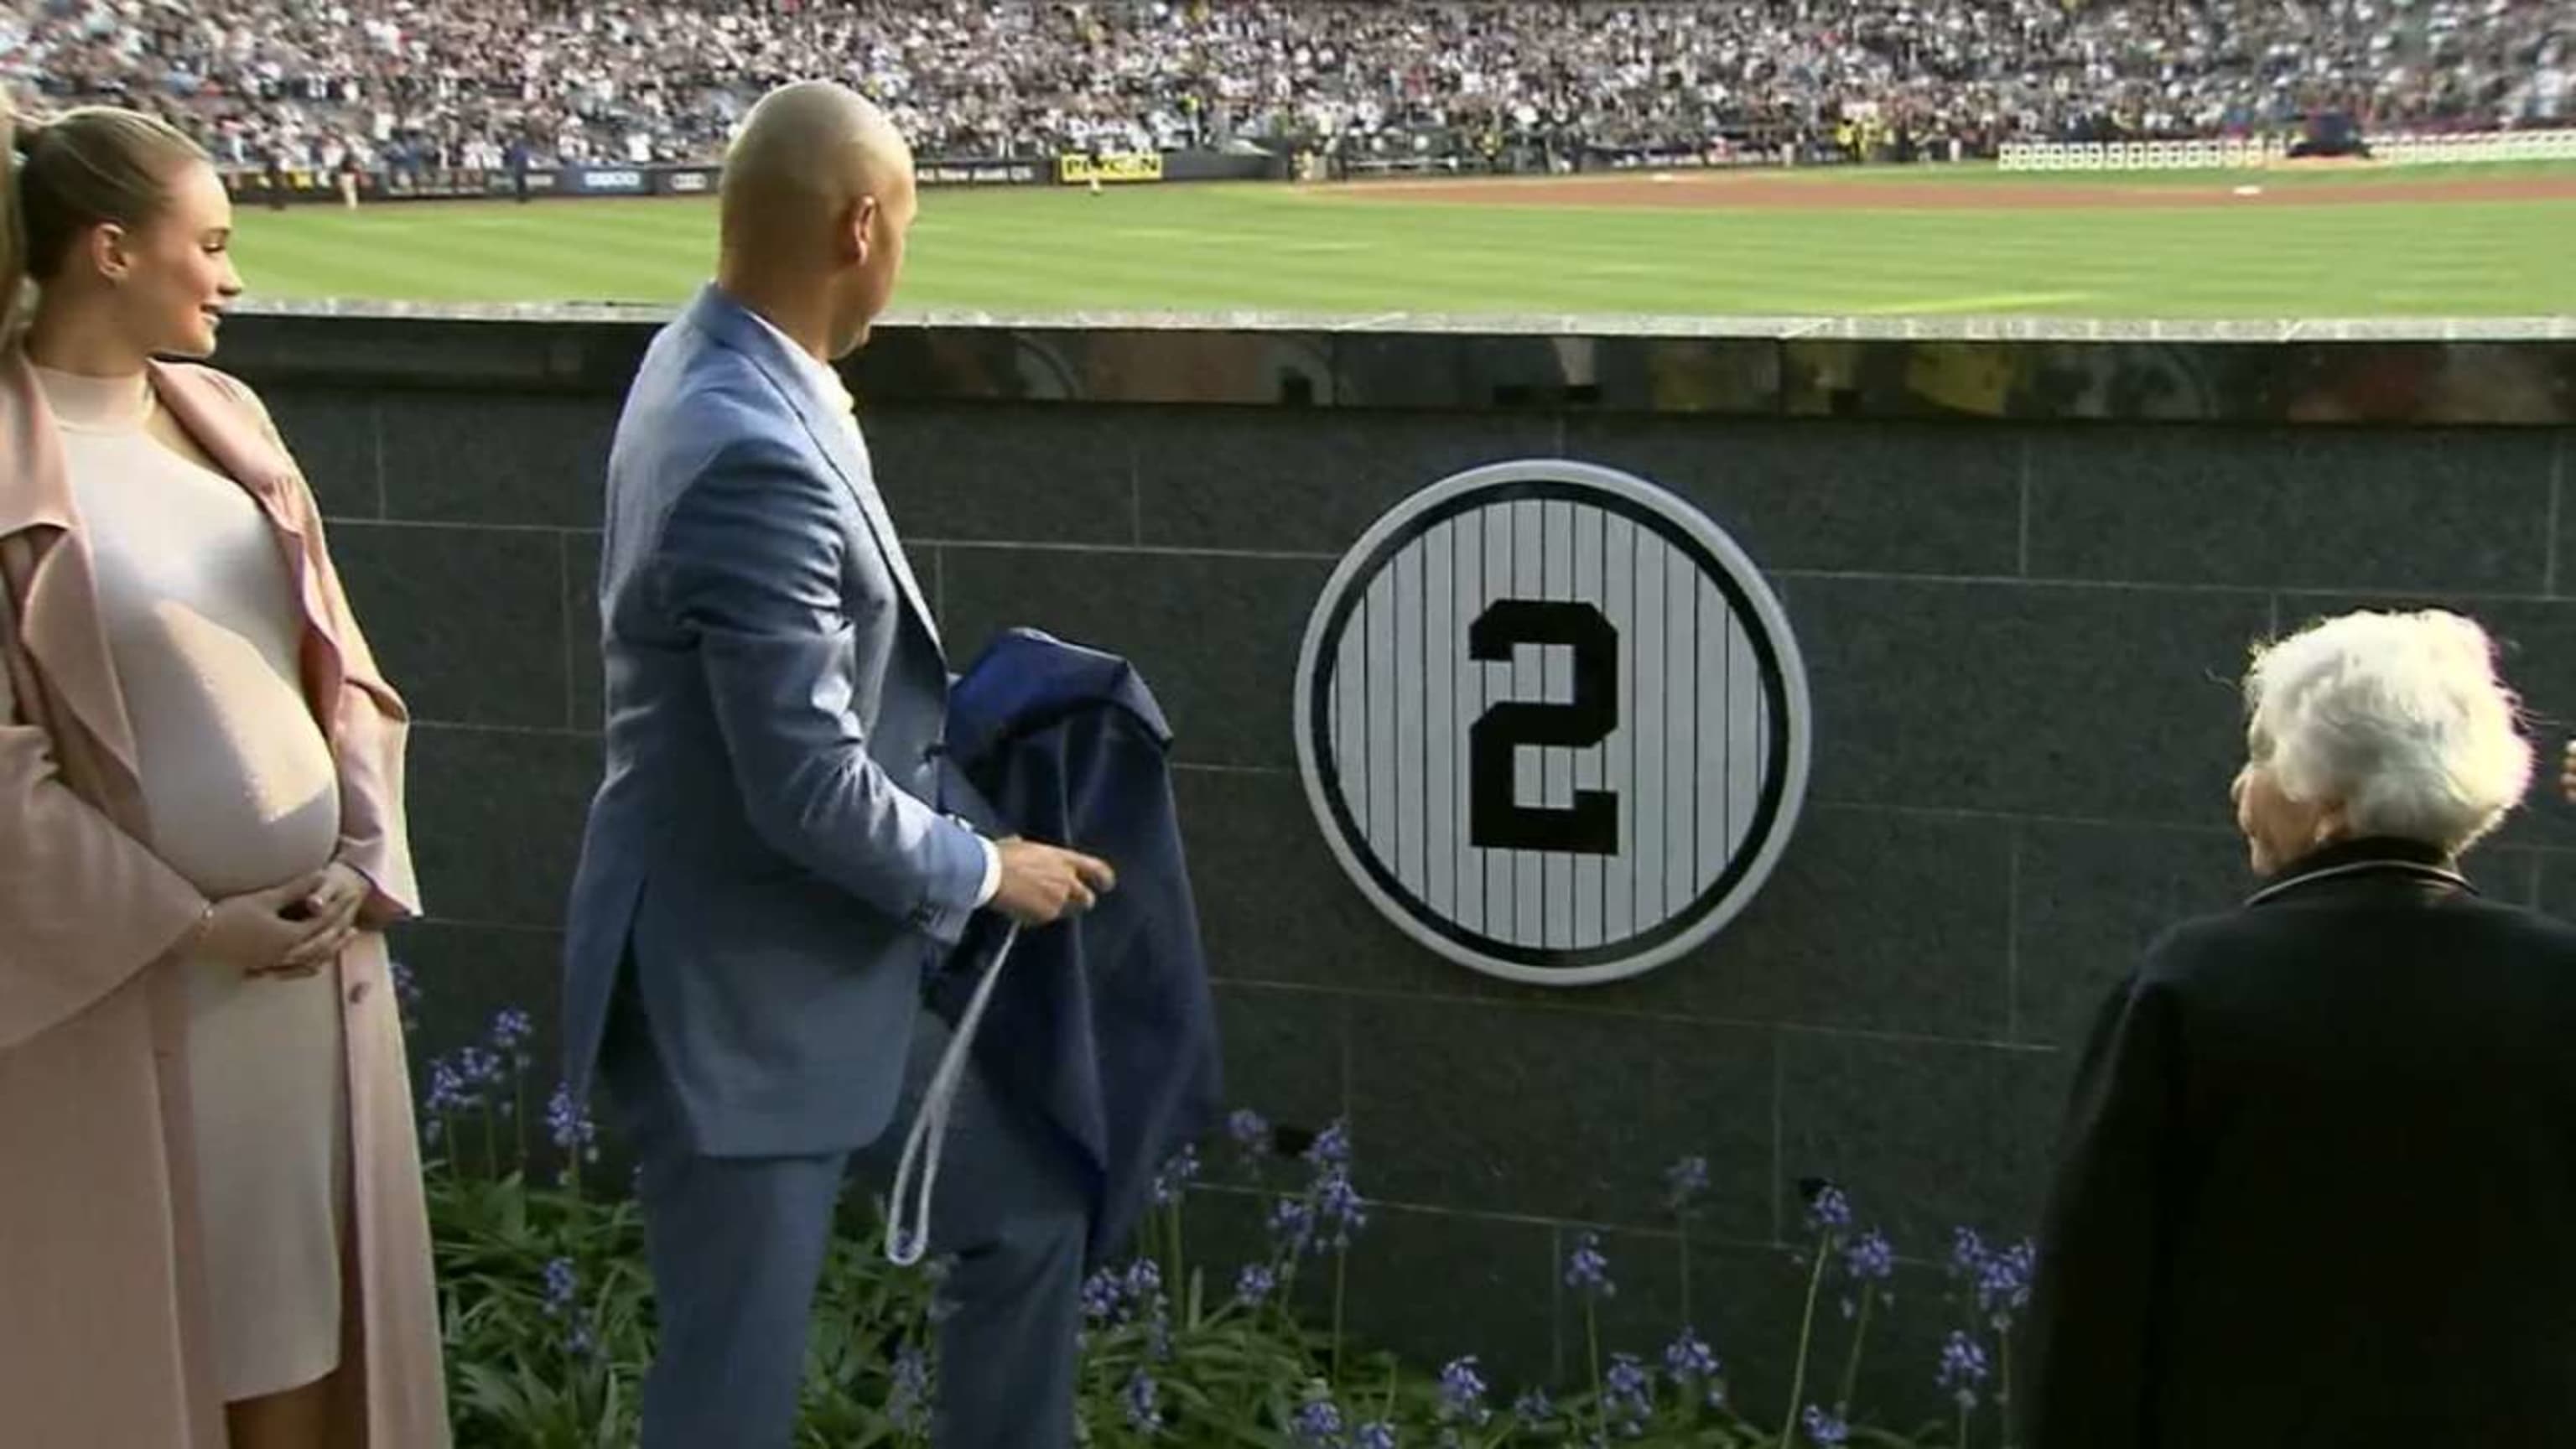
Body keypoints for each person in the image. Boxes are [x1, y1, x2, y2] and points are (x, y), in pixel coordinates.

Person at [559, 80, 1116, 1449]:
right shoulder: (754, 447)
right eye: (908, 226)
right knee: (730, 1385)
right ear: (862, 225)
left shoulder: (716, 360)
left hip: (813, 964)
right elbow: (802, 783)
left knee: (1030, 1211)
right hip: (739, 995)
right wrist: (989, 867)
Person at [0, 102, 449, 1448]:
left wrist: (360, 853)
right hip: (123, 1001)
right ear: (111, 250)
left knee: (309, 1347)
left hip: (305, 985)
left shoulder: (228, 418)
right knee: (154, 1362)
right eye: (212, 242)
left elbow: (342, 671)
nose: (235, 276)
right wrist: (190, 926)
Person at [2022, 609, 2576, 1448]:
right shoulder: (2558, 979)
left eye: (2261, 753)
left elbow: (2091, 1298)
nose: (2239, 790)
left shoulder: (2193, 987)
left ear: (2331, 804)